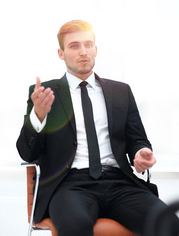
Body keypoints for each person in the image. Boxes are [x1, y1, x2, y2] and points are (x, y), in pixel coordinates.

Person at [16, 20, 167, 236]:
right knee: (75, 227)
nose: (83, 52)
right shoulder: (45, 93)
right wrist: (38, 116)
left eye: (88, 45)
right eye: (74, 46)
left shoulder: (121, 91)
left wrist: (140, 152)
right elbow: (27, 153)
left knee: (168, 224)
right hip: (69, 185)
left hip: (120, 182)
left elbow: (137, 140)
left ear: (96, 49)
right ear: (61, 53)